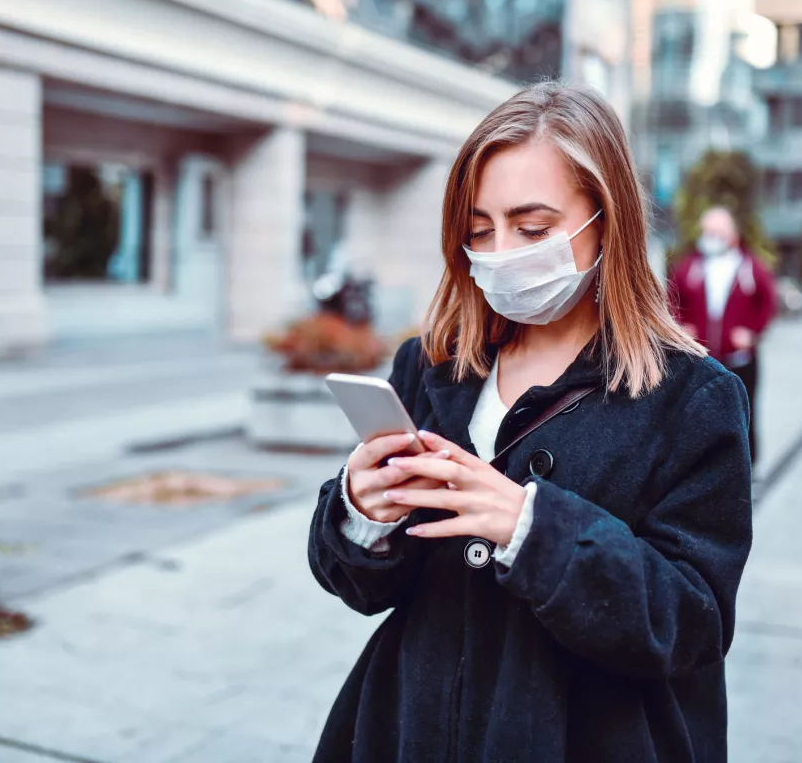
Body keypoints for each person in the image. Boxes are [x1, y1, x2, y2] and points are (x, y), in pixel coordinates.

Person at [307, 83, 753, 762]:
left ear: (606, 219)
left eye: (534, 228)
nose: (502, 252)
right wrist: (363, 514)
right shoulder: (432, 365)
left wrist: (534, 529)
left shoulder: (693, 398)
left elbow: (694, 623)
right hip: (409, 730)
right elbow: (366, 589)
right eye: (480, 230)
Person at [668, 207, 776, 464]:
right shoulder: (690, 266)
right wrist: (681, 328)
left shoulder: (749, 266)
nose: (711, 238)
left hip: (739, 359)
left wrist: (752, 333)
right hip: (700, 358)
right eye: (707, 232)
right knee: (698, 414)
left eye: (717, 232)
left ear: (732, 234)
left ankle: (748, 467)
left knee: (743, 413)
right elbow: (671, 299)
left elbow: (768, 302)